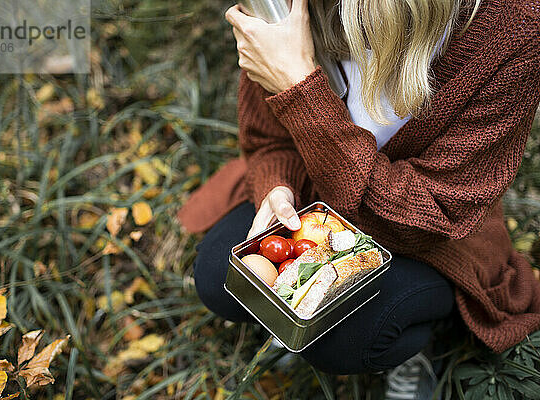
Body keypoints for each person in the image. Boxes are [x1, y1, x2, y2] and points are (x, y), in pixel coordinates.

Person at [181, 0, 540, 398]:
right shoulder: (287, 5)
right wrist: (277, 183)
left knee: (349, 339)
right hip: (319, 198)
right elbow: (269, 135)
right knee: (221, 275)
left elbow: (433, 213)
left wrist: (300, 91)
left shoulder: (514, 26)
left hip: (425, 235)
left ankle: (420, 346)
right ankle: (294, 318)